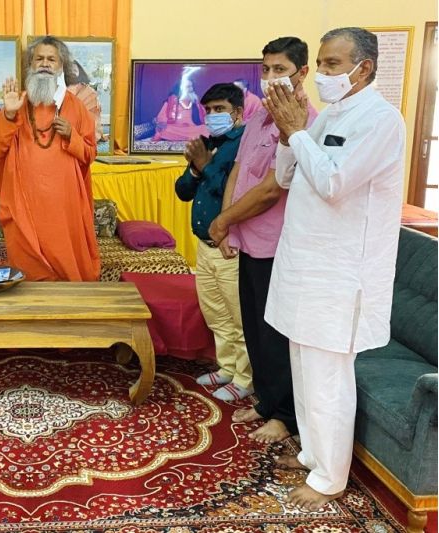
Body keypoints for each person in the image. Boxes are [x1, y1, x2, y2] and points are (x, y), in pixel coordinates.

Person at [262, 27, 406, 510]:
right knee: (304, 370)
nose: (321, 73)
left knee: (327, 378)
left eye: (331, 64)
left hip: (340, 274)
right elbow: (287, 175)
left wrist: (298, 133)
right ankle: (312, 453)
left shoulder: (381, 120)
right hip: (305, 266)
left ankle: (329, 479)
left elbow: (334, 183)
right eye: (321, 63)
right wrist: (290, 134)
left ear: (364, 68)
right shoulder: (327, 115)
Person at [208, 37, 318, 443]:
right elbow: (238, 172)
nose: (270, 77)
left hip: (279, 245)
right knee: (254, 329)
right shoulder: (258, 116)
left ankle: (285, 416)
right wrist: (228, 224)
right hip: (249, 239)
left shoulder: (305, 121)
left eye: (280, 70)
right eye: (266, 69)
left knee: (276, 334)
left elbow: (273, 189)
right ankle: (266, 402)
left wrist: (224, 221)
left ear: (302, 73)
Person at [0, 35, 100, 281]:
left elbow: (89, 154)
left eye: (51, 59)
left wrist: (72, 136)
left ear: (60, 66)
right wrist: (9, 116)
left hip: (63, 209)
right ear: (31, 64)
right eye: (39, 59)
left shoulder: (76, 107)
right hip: (23, 204)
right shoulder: (17, 103)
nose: (45, 64)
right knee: (27, 275)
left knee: (66, 273)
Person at [174, 83, 251, 402]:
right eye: (208, 110)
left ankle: (246, 378)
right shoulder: (206, 143)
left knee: (239, 316)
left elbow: (234, 191)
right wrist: (195, 168)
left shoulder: (244, 145)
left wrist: (206, 166)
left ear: (238, 112)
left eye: (220, 109)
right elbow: (182, 191)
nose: (212, 115)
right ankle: (227, 367)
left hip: (229, 246)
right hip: (203, 246)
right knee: (215, 313)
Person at [67, 59, 105, 142]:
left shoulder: (87, 90)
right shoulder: (59, 87)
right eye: (69, 70)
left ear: (80, 71)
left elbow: (92, 114)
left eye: (74, 70)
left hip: (84, 123)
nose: (72, 72)